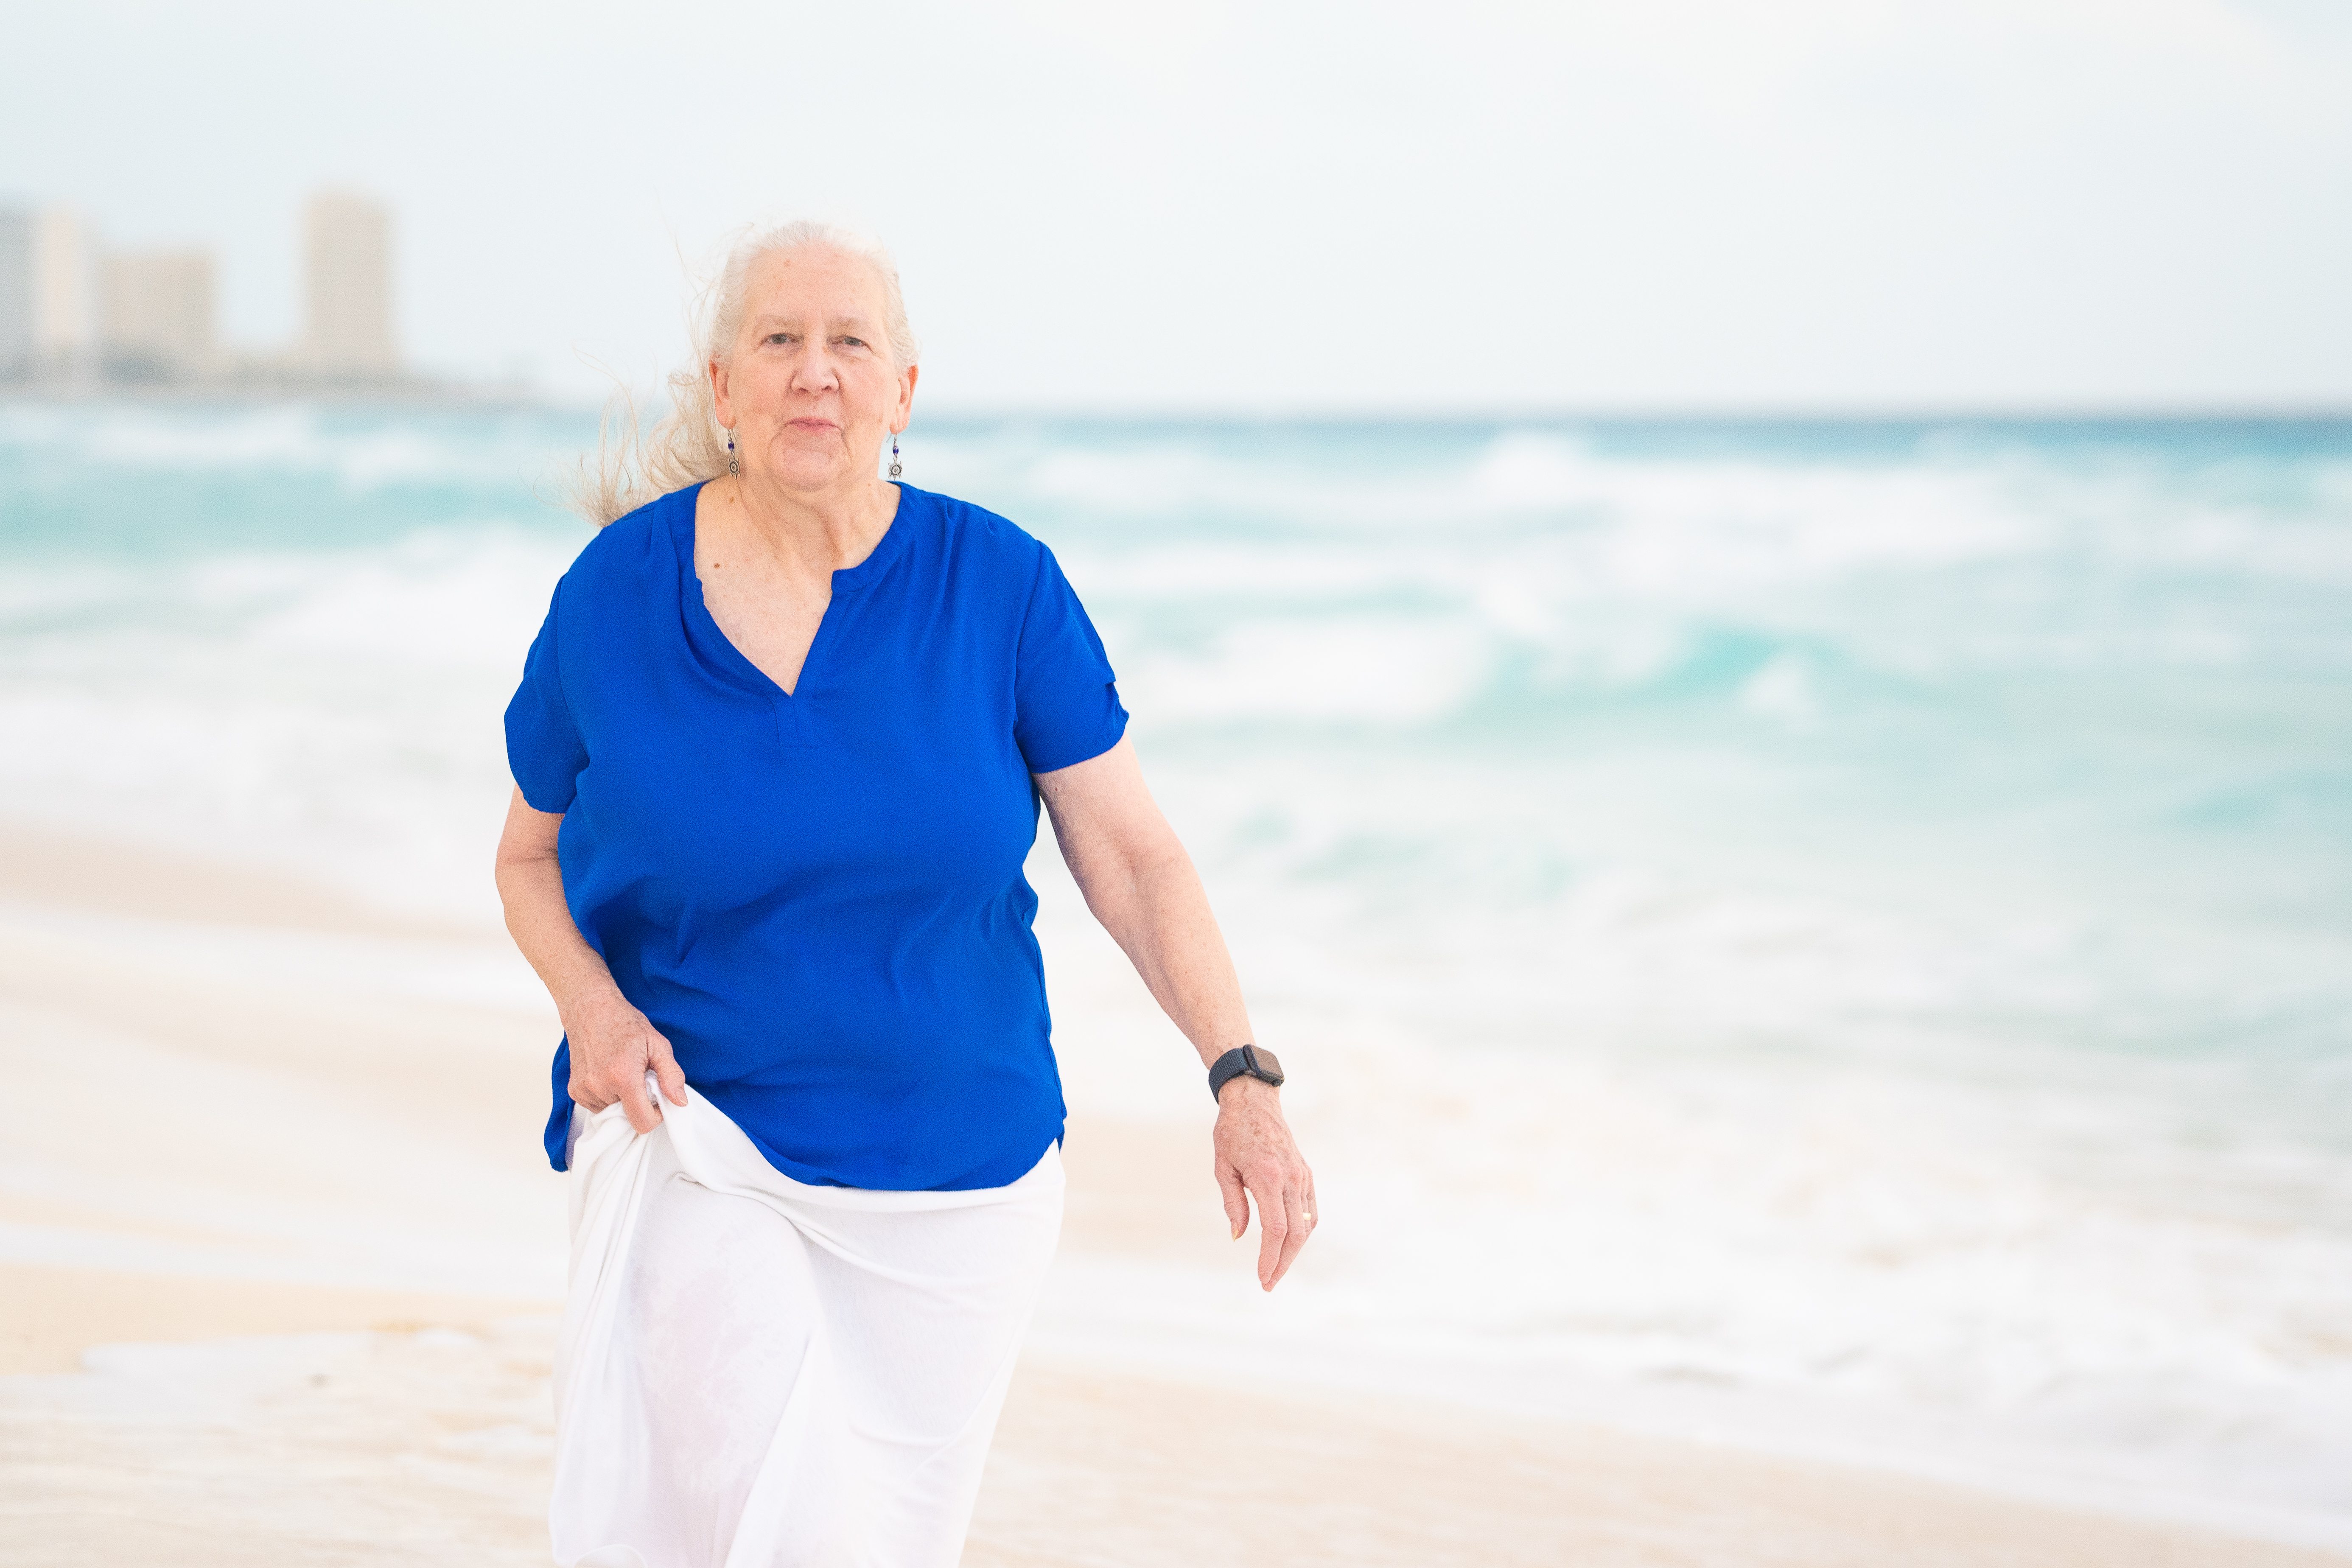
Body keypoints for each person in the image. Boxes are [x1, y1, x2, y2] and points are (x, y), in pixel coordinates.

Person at [493, 218, 1316, 1568]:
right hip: (705, 1132)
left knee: (876, 1535)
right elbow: (526, 857)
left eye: (850, 342)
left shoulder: (1000, 587)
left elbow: (1132, 856)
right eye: (779, 340)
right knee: (752, 1500)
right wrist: (589, 1004)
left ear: (902, 391)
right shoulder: (613, 599)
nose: (816, 372)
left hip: (962, 1178)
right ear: (724, 389)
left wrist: (1241, 1075)